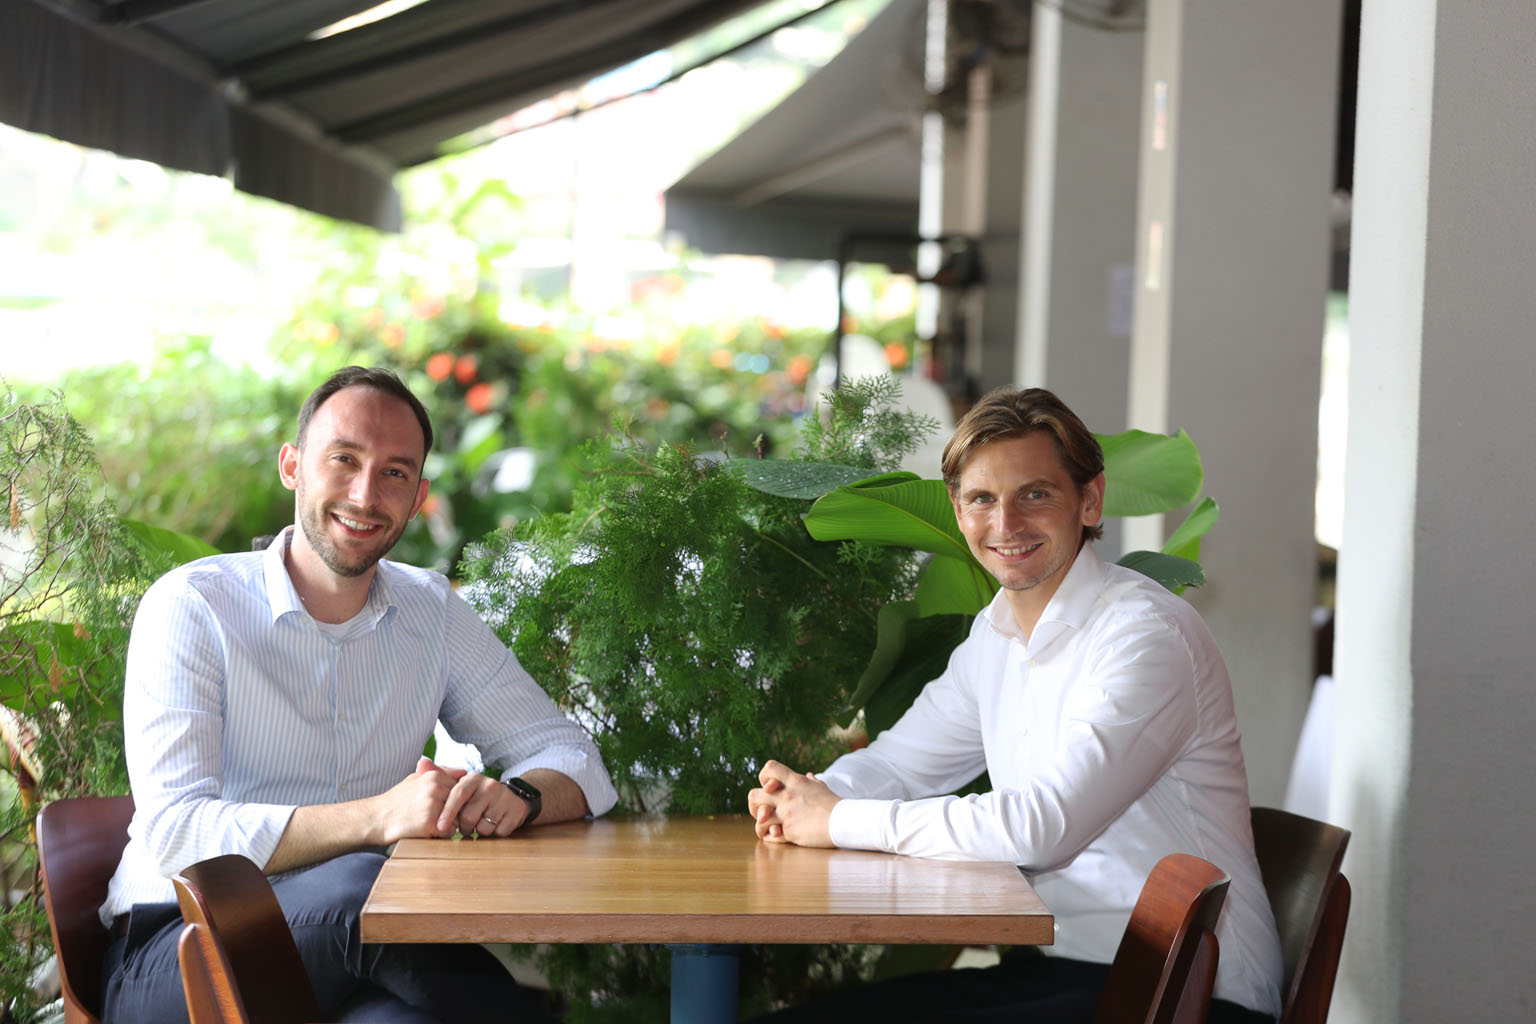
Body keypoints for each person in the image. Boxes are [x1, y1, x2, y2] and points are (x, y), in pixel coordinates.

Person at [99, 366, 618, 1023]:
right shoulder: (194, 607)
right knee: (358, 887)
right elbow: (176, 834)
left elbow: (572, 756)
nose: (365, 494)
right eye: (343, 460)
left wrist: (518, 796)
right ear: (293, 466)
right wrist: (377, 818)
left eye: (395, 473)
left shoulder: (429, 611)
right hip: (181, 950)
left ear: (419, 494)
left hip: (355, 953)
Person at [748, 386, 1283, 1023]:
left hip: (1186, 993)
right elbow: (901, 765)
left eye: (1034, 494)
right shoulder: (996, 636)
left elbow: (1041, 827)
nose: (1006, 524)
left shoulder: (1145, 636)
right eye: (982, 499)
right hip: (1063, 970)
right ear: (957, 510)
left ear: (1090, 499)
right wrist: (806, 799)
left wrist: (836, 821)